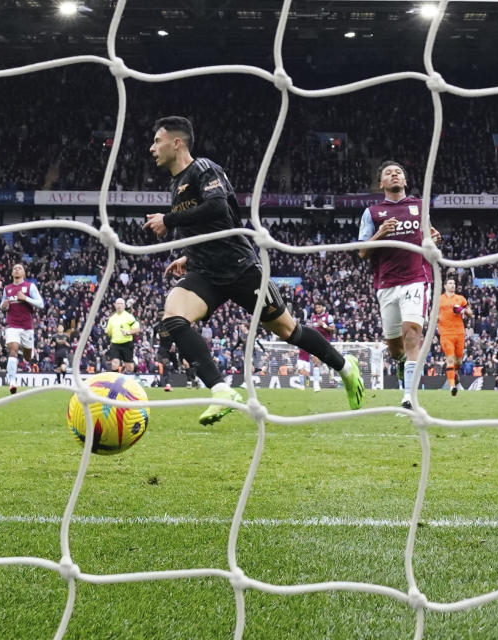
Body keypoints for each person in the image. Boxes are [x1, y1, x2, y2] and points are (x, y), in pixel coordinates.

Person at [143, 115, 364, 425]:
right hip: (207, 272)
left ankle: (345, 367)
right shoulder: (175, 183)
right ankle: (222, 392)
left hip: (240, 268)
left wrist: (169, 220)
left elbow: (218, 208)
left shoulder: (203, 169)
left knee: (289, 331)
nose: (152, 147)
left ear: (176, 142)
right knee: (173, 319)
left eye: (157, 140)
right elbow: (210, 227)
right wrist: (189, 258)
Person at [357, 160, 441, 409]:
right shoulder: (372, 213)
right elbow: (362, 252)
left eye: (398, 173)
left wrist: (434, 239)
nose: (394, 175)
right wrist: (380, 233)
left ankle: (409, 398)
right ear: (381, 183)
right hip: (386, 285)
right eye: (388, 173)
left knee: (413, 334)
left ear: (404, 181)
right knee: (395, 348)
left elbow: (429, 239)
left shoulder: (419, 206)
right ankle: (403, 364)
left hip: (416, 279)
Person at [1, 263, 44, 394]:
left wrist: (25, 298)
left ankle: (24, 352)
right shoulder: (7, 288)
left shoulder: (30, 287)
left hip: (27, 327)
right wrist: (3, 306)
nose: (17, 270)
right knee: (12, 349)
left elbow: (41, 304)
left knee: (27, 357)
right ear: (12, 273)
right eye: (14, 268)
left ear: (24, 273)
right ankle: (12, 382)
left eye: (19, 268)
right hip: (12, 325)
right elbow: (2, 305)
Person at [437, 277, 473, 396]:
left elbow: (471, 314)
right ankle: (452, 386)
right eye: (450, 283)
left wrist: (463, 310)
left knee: (458, 361)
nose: (452, 285)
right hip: (446, 334)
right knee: (450, 359)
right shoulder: (439, 299)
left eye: (454, 283)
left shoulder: (460, 299)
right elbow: (433, 314)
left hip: (459, 333)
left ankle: (455, 377)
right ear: (445, 286)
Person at [297, 300, 336, 392]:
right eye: (316, 307)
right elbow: (311, 329)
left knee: (325, 362)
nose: (317, 309)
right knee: (316, 362)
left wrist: (324, 326)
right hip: (315, 342)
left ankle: (329, 368)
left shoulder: (328, 317)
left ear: (323, 307)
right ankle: (316, 385)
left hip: (325, 343)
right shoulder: (313, 317)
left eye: (319, 307)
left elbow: (333, 330)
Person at [105, 297, 140, 374]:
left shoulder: (129, 317)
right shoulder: (112, 318)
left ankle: (136, 371)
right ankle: (115, 382)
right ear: (115, 305)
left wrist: (128, 332)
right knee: (115, 364)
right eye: (118, 303)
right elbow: (109, 332)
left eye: (121, 304)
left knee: (129, 367)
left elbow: (137, 329)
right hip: (115, 344)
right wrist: (106, 331)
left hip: (126, 344)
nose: (119, 305)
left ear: (124, 306)